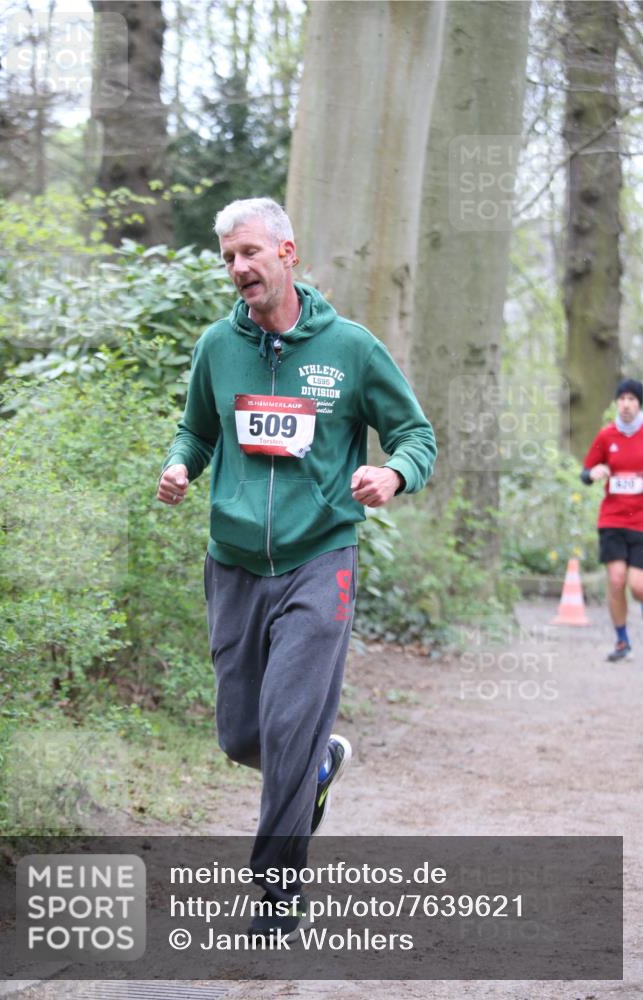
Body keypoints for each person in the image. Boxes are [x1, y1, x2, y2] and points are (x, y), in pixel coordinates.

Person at [157, 197, 436, 939]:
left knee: (286, 724)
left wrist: (395, 476)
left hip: (321, 559)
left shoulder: (350, 348)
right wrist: (181, 464)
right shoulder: (219, 346)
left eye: (249, 252)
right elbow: (197, 428)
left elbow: (414, 433)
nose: (238, 269)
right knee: (242, 737)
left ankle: (276, 896)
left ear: (288, 253)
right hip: (235, 562)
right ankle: (316, 768)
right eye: (228, 258)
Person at [581, 378, 643, 661]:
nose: (626, 404)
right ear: (616, 403)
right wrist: (593, 474)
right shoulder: (607, 436)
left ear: (639, 404)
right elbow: (586, 471)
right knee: (616, 581)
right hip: (613, 520)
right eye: (622, 399)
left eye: (632, 399)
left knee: (638, 585)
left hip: (641, 522)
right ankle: (622, 641)